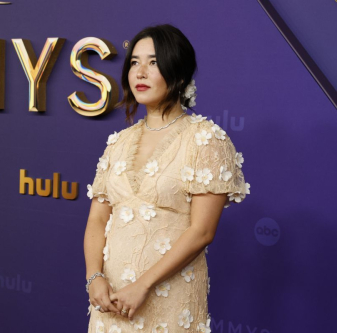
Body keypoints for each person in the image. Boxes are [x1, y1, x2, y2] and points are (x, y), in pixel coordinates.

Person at [84, 24, 249, 333]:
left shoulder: (206, 139)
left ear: (180, 73)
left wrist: (143, 285)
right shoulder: (118, 142)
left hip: (168, 300)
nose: (140, 72)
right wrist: (94, 277)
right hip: (111, 303)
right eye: (134, 62)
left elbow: (202, 231)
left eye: (154, 62)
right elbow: (97, 220)